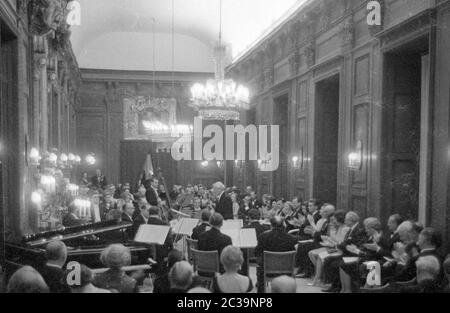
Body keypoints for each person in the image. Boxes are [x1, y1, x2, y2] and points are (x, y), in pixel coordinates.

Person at [322, 211, 367, 292]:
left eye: (346, 219)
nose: (345, 221)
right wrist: (338, 245)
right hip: (347, 252)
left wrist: (338, 245)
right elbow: (345, 242)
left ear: (351, 220)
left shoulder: (358, 229)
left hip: (353, 254)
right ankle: (338, 287)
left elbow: (352, 243)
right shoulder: (351, 229)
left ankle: (345, 289)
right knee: (328, 260)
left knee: (338, 263)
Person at [255, 216, 298, 293]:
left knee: (259, 266)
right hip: (287, 270)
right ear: (283, 225)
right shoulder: (292, 238)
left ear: (271, 225)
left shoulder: (263, 237)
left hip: (267, 269)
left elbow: (257, 252)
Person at [308, 210, 349, 286]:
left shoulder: (344, 228)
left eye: (335, 219)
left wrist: (329, 240)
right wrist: (328, 239)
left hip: (339, 250)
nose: (333, 221)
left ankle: (319, 279)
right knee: (314, 254)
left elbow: (340, 243)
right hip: (334, 248)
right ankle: (319, 278)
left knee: (321, 256)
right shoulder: (339, 227)